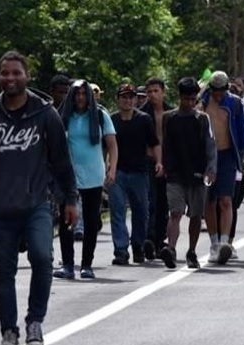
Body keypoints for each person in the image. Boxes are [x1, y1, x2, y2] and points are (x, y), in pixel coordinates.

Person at [0, 51, 78, 345]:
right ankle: (9, 330)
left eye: (16, 73)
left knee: (42, 257)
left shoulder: (45, 114)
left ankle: (35, 321)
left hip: (36, 203)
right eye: (5, 73)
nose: (10, 78)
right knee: (4, 271)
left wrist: (70, 199)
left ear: (27, 76)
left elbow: (62, 161)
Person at [54, 79, 117, 279]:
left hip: (93, 175)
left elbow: (112, 145)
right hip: (69, 176)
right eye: (77, 94)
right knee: (65, 221)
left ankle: (86, 264)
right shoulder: (64, 116)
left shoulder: (100, 115)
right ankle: (67, 265)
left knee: (91, 221)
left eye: (84, 94)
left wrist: (112, 168)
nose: (80, 97)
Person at [201, 71, 244, 263]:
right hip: (206, 157)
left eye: (221, 91)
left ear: (227, 89)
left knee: (226, 201)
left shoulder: (235, 103)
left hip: (227, 156)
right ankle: (214, 244)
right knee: (209, 202)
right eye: (215, 91)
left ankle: (225, 243)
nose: (218, 95)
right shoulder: (201, 101)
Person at [159, 77, 216, 269]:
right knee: (175, 212)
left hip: (198, 174)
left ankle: (191, 252)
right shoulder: (169, 118)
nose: (190, 103)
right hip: (175, 174)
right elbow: (163, 144)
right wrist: (162, 164)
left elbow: (210, 145)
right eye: (186, 99)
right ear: (180, 97)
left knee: (195, 215)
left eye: (193, 99)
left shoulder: (202, 119)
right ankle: (171, 249)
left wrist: (211, 168)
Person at [108, 83, 161, 266]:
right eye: (124, 97)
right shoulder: (111, 120)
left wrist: (159, 162)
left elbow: (154, 143)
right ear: (118, 99)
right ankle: (121, 250)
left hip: (140, 172)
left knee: (141, 211)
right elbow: (104, 145)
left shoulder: (144, 119)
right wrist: (106, 168)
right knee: (117, 211)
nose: (127, 100)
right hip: (118, 172)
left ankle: (137, 245)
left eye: (130, 97)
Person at [140, 77, 173, 261]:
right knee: (150, 202)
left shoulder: (172, 112)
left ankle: (161, 241)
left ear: (163, 91)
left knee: (164, 204)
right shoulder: (142, 113)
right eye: (149, 91)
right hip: (147, 161)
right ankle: (149, 239)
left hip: (168, 162)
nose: (152, 95)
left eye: (156, 91)